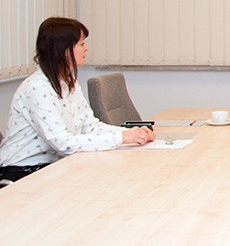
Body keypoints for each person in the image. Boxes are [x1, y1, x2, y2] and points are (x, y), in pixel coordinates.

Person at [0, 17, 155, 183]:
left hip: (54, 166)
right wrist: (122, 138)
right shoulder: (37, 88)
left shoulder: (68, 82)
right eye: (81, 44)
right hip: (21, 173)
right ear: (63, 49)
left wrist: (130, 133)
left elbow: (90, 126)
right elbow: (63, 143)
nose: (86, 48)